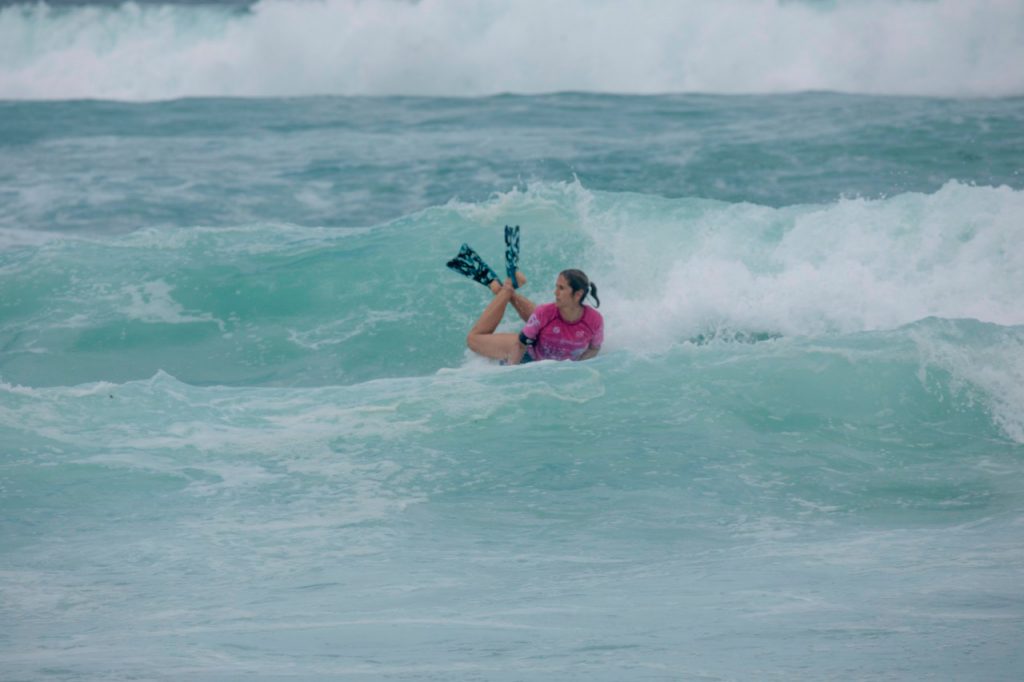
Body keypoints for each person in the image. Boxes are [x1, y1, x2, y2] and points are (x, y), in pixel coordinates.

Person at [466, 269, 603, 365]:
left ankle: (504, 291)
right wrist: (510, 372)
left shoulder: (594, 320)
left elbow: (594, 348)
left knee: (543, 317)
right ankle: (507, 290)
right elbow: (520, 345)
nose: (555, 292)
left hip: (546, 327)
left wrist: (577, 367)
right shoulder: (545, 312)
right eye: (556, 287)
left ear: (578, 294)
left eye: (561, 288)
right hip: (529, 351)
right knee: (473, 339)